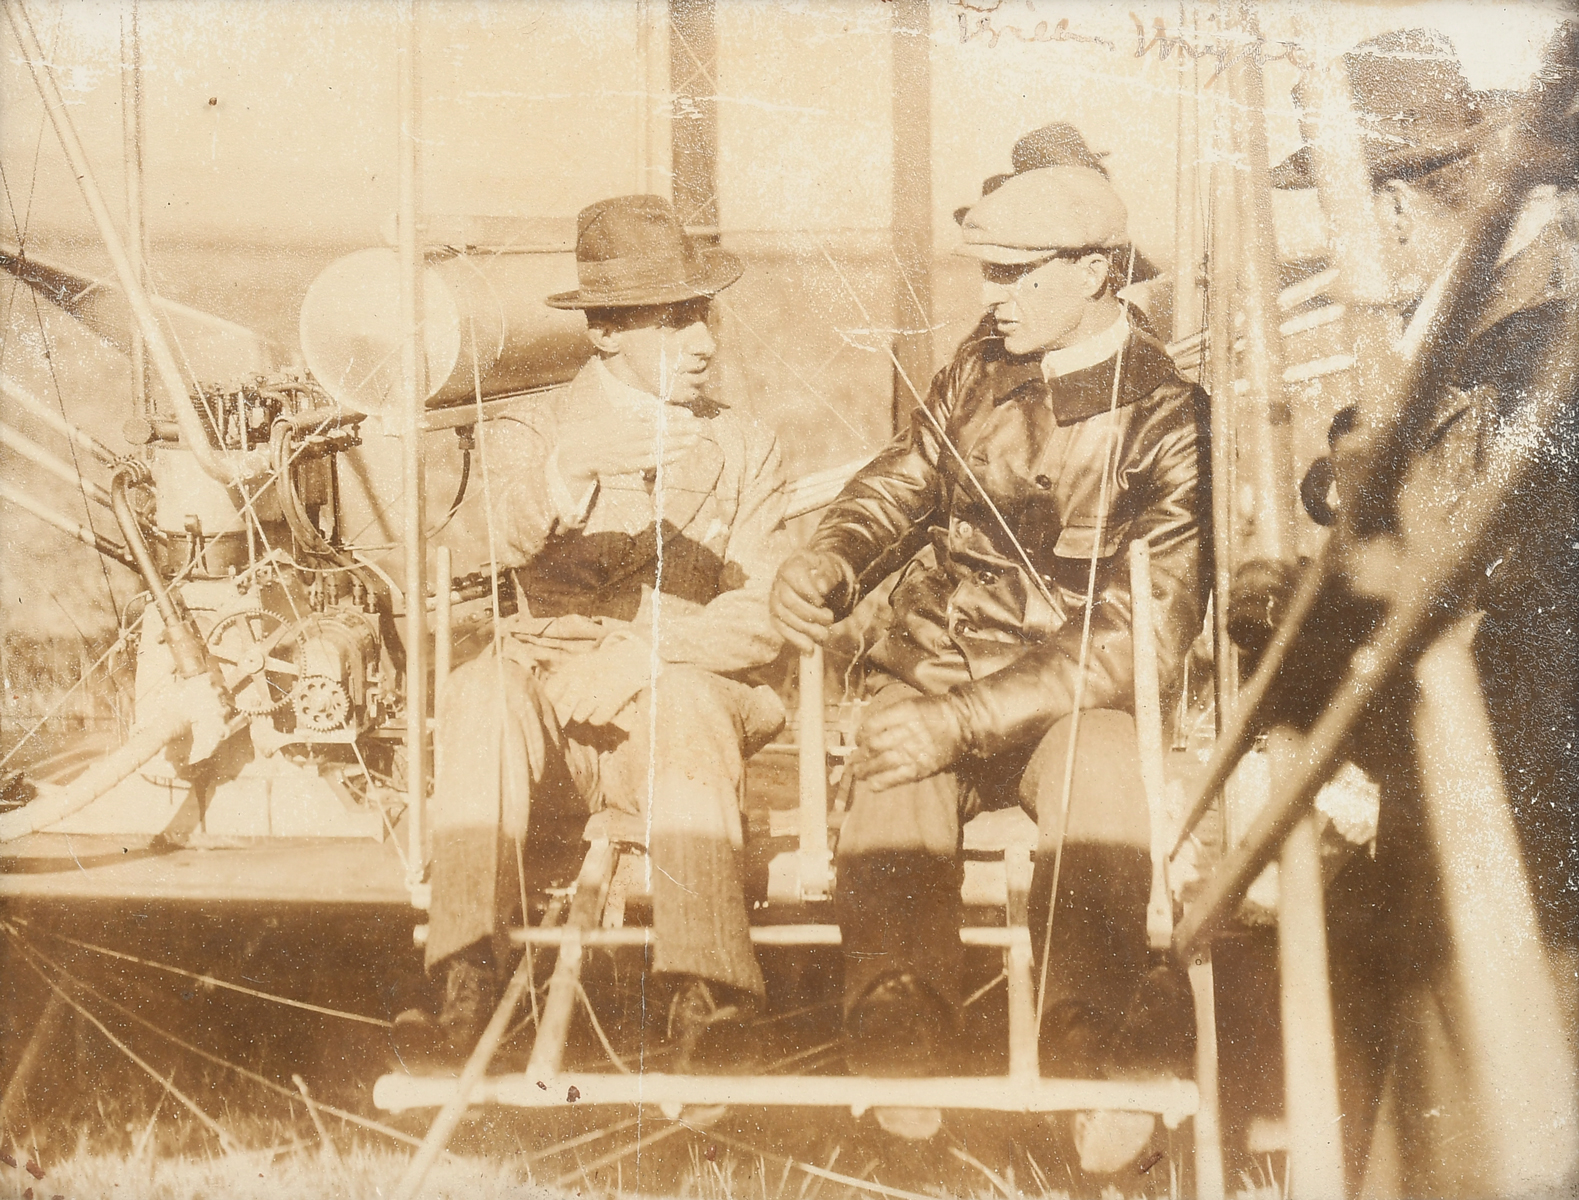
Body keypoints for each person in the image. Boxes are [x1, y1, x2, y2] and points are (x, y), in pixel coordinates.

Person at [770, 166, 1208, 1164]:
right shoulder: (982, 365)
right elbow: (906, 481)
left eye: (1017, 274)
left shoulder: (1171, 418)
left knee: (1100, 760)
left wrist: (959, 718)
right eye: (987, 273)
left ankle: (1084, 1040)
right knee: (889, 748)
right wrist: (831, 557)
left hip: (1066, 707)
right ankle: (898, 1021)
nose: (992, 296)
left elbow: (1139, 634)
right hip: (935, 669)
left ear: (1097, 271)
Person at [1241, 27, 1579, 1196]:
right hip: (1491, 739)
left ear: (1384, 211)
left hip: (1518, 751)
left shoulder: (1524, 335)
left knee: (1485, 1044)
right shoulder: (1490, 321)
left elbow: (1463, 537)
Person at [393, 195, 790, 1072]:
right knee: (480, 689)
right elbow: (450, 567)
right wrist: (559, 478)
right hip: (546, 722)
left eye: (703, 315)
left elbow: (763, 610)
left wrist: (647, 655)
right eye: (673, 321)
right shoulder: (527, 432)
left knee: (684, 701)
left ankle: (708, 999)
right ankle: (464, 976)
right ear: (606, 331)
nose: (703, 343)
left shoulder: (746, 445)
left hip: (676, 710)